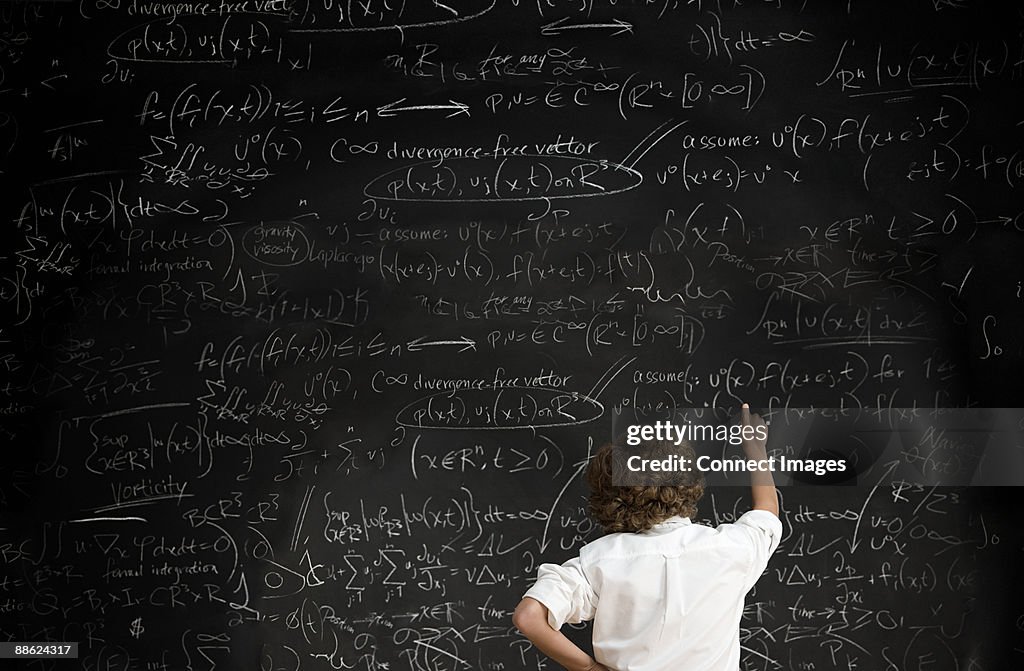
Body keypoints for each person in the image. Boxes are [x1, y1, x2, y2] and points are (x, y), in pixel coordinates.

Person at [512, 404, 782, 671]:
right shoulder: (733, 549)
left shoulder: (600, 561)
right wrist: (755, 448)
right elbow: (767, 511)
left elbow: (529, 616)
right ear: (688, 483)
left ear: (609, 497)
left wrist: (588, 669)